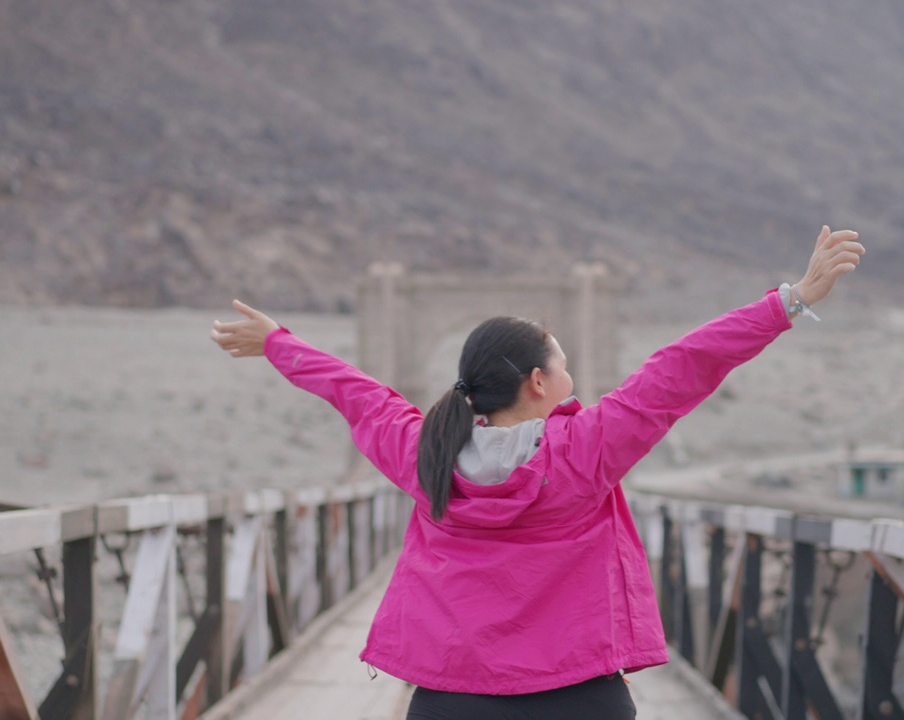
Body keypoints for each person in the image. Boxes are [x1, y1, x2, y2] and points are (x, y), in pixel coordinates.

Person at [210, 226, 864, 719]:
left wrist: (276, 341)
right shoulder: (587, 449)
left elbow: (354, 392)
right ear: (539, 381)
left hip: (451, 700)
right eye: (564, 362)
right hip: (580, 697)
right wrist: (792, 300)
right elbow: (684, 366)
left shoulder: (424, 453)